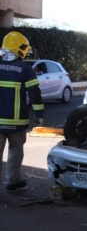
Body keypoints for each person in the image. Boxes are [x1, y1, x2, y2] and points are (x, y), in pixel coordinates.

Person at [0, 31, 44, 190]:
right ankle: (13, 180)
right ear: (19, 48)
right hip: (16, 122)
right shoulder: (25, 69)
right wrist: (39, 116)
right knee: (15, 151)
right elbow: (35, 93)